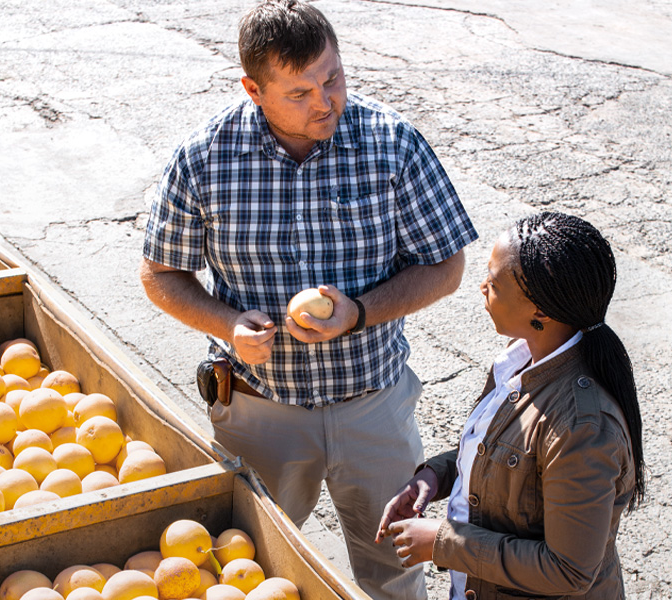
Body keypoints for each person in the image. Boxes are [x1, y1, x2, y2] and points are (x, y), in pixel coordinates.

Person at [139, 1, 478, 598]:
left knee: (395, 573)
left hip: (373, 407)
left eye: (332, 78)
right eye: (299, 92)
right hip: (258, 412)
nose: (324, 101)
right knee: (246, 572)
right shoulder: (204, 159)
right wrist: (226, 323)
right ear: (254, 89)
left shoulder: (391, 145)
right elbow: (160, 274)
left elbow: (446, 264)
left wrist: (362, 311)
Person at [376, 211, 646, 599]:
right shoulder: (518, 360)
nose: (482, 287)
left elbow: (569, 571)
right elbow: (503, 461)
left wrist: (443, 541)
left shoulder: (583, 426)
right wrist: (435, 476)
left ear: (540, 311)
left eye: (496, 283)